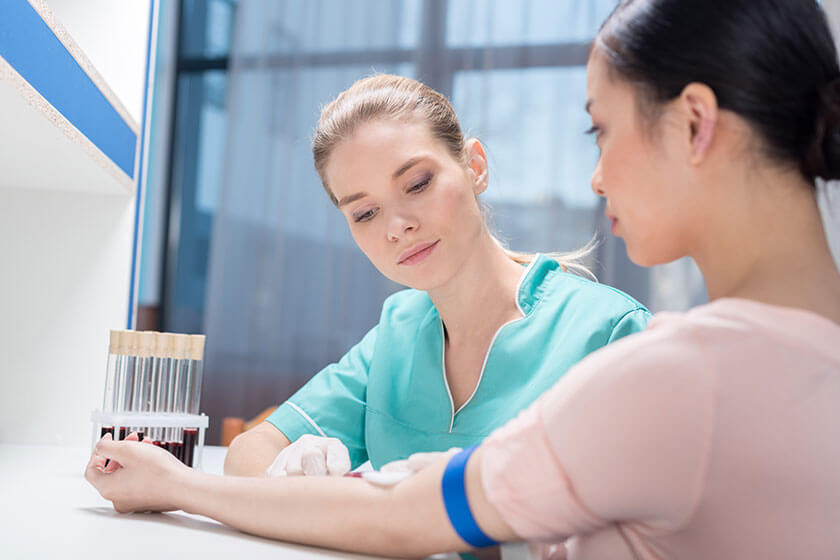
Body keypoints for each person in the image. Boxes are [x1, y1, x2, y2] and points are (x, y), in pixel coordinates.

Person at [86, 0, 840, 558]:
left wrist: (177, 485)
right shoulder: (400, 332)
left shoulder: (662, 364)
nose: (597, 174)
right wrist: (300, 465)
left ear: (694, 123)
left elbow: (409, 515)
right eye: (362, 212)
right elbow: (281, 454)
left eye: (600, 130)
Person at [222, 74, 650, 477]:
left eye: (418, 184)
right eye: (365, 212)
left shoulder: (608, 332)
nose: (397, 226)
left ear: (475, 167)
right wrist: (291, 468)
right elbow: (248, 452)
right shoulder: (398, 332)